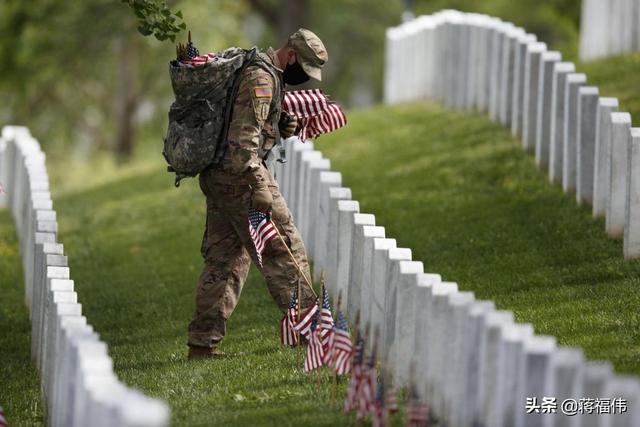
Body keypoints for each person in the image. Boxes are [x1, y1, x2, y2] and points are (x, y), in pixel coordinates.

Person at [187, 28, 329, 359]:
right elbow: (241, 141)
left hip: (220, 176)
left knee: (225, 260)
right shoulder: (261, 79)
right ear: (291, 55)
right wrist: (259, 185)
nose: (304, 79)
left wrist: (279, 123)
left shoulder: (262, 72)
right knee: (284, 248)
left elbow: (245, 122)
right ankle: (315, 336)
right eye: (304, 70)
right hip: (242, 177)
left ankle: (202, 343)